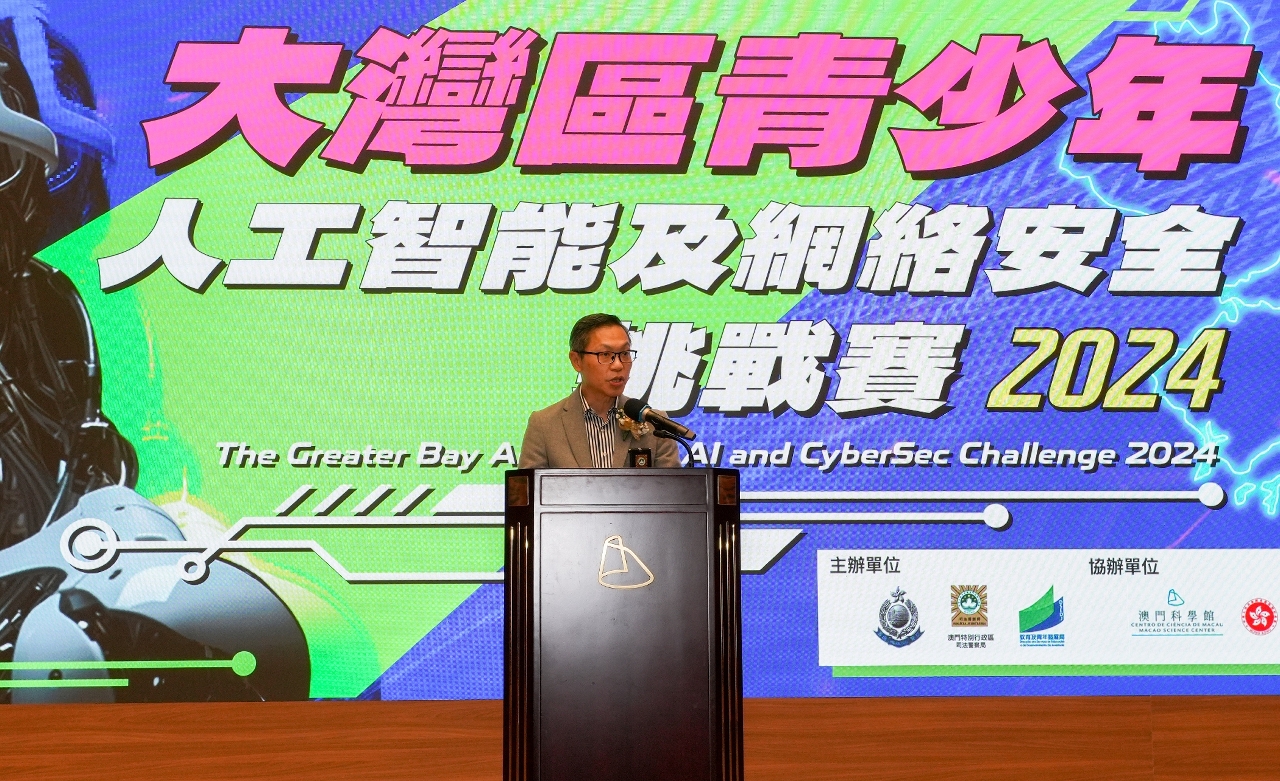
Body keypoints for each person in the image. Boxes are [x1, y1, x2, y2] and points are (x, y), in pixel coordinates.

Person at [518, 314, 681, 469]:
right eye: (605, 354)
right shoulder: (544, 425)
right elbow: (529, 487)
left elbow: (673, 487)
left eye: (625, 353)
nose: (618, 365)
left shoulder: (655, 425)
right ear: (576, 361)